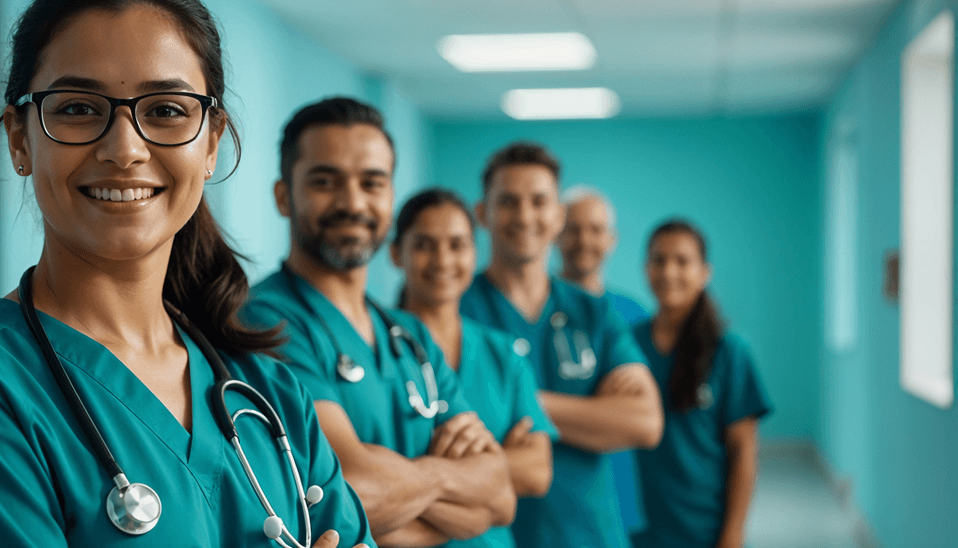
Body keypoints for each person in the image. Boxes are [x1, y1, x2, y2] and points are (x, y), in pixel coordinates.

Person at [0, 2, 373, 546]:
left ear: (211, 142)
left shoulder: (268, 392)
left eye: (167, 111)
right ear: (19, 139)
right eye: (78, 108)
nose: (124, 149)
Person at [242, 98, 517, 547]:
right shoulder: (264, 322)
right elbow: (345, 496)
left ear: (390, 198)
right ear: (282, 196)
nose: (352, 203)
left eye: (372, 183)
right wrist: (452, 482)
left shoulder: (410, 335)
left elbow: (500, 496)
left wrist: (412, 490)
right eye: (325, 181)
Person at [459, 141, 664, 548]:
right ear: (482, 213)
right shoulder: (455, 311)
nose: (525, 216)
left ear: (558, 215)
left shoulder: (594, 313)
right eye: (508, 202)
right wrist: (594, 414)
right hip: (491, 535)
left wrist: (514, 402)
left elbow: (644, 422)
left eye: (539, 201)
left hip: (592, 532)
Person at [390, 188, 557, 548]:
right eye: (423, 244)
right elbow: (364, 481)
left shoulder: (504, 353)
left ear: (474, 253)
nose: (442, 259)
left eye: (457, 244)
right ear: (395, 253)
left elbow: (537, 471)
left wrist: (416, 471)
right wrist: (485, 469)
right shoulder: (375, 349)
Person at [631, 219, 772, 548]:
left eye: (682, 261)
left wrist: (732, 535)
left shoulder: (730, 351)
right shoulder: (628, 345)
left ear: (705, 272)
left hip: (705, 531)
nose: (669, 272)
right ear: (645, 269)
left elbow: (743, 451)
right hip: (641, 531)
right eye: (658, 260)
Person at [558, 185, 651, 536]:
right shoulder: (536, 312)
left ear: (612, 239)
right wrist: (604, 409)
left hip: (624, 495)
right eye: (573, 228)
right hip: (557, 496)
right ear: (555, 233)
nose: (584, 240)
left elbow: (642, 412)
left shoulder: (634, 315)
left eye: (596, 230)